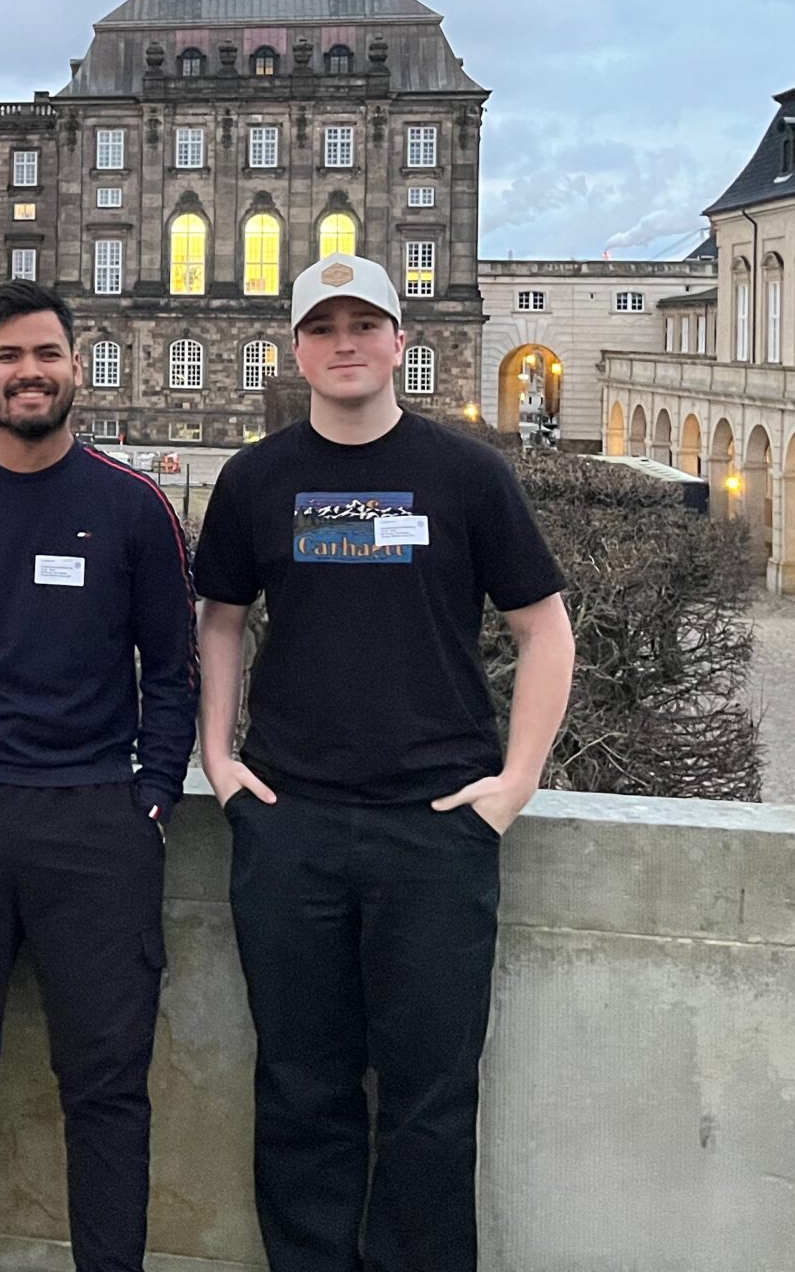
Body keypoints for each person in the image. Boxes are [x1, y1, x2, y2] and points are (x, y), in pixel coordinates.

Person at [191, 255, 574, 1272]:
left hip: (433, 828)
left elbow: (546, 630)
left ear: (402, 343)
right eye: (324, 327)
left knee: (431, 1104)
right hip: (291, 826)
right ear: (298, 347)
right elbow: (219, 622)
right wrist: (218, 759)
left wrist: (516, 783)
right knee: (299, 1091)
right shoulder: (254, 478)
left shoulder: (467, 473)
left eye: (366, 324)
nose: (345, 342)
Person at [0, 280, 196, 1272]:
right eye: (8, 357)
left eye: (46, 355)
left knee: (105, 1086)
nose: (28, 373)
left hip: (94, 821)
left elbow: (173, 670)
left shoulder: (132, 507)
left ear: (73, 367)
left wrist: (153, 788)